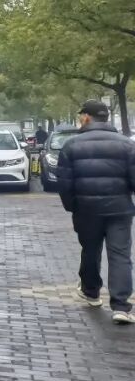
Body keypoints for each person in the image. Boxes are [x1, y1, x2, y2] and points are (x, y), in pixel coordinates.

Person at [56, 100, 135, 325]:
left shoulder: (71, 145)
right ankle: (121, 306)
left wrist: (72, 206)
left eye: (81, 116)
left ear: (87, 117)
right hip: (119, 209)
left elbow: (65, 183)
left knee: (90, 250)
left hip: (86, 209)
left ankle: (91, 292)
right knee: (120, 255)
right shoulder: (127, 145)